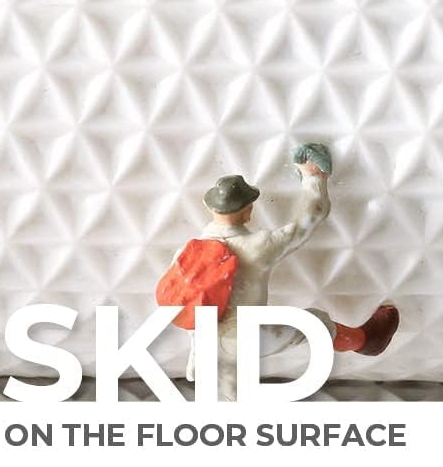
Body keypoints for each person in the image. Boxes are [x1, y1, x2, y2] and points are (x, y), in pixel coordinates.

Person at [158, 143, 399, 400]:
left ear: (210, 209)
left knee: (230, 395)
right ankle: (365, 340)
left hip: (208, 342)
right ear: (247, 211)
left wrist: (198, 350)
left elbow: (189, 303)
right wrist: (313, 177)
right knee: (315, 325)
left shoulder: (189, 250)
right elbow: (308, 222)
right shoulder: (257, 247)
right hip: (245, 338)